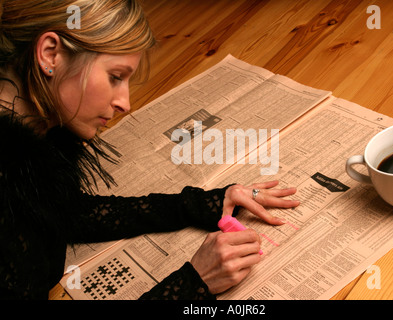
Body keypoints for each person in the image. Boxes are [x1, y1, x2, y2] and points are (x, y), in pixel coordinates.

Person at [0, 0, 299, 300]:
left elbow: (62, 212)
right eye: (115, 77)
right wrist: (194, 283)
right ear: (50, 53)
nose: (125, 104)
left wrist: (202, 204)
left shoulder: (27, 153)